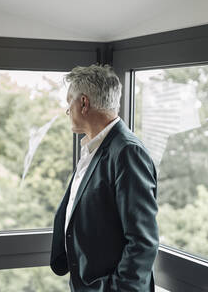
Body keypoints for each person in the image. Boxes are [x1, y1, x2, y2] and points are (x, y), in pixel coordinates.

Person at [50, 64, 159, 291]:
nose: (66, 110)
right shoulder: (92, 149)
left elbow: (142, 242)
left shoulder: (128, 152)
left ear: (83, 103)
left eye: (69, 101)